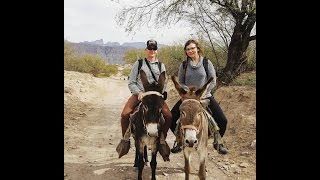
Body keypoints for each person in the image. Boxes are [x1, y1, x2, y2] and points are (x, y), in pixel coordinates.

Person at [170, 39, 228, 154]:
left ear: (197, 48)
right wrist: (187, 93)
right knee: (171, 118)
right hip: (188, 97)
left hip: (205, 95)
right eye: (188, 49)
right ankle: (179, 140)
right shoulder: (184, 65)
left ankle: (218, 142)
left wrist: (203, 93)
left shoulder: (206, 63)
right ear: (185, 52)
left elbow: (213, 81)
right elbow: (181, 82)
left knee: (222, 120)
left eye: (192, 48)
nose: (190, 51)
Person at [120, 39, 172, 158]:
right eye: (150, 48)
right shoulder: (138, 64)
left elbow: (164, 82)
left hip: (155, 96)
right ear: (146, 50)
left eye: (154, 49)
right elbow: (132, 82)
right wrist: (139, 93)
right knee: (125, 114)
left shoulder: (161, 65)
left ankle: (162, 140)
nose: (152, 51)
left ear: (157, 51)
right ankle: (125, 140)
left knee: (168, 116)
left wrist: (160, 94)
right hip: (140, 95)